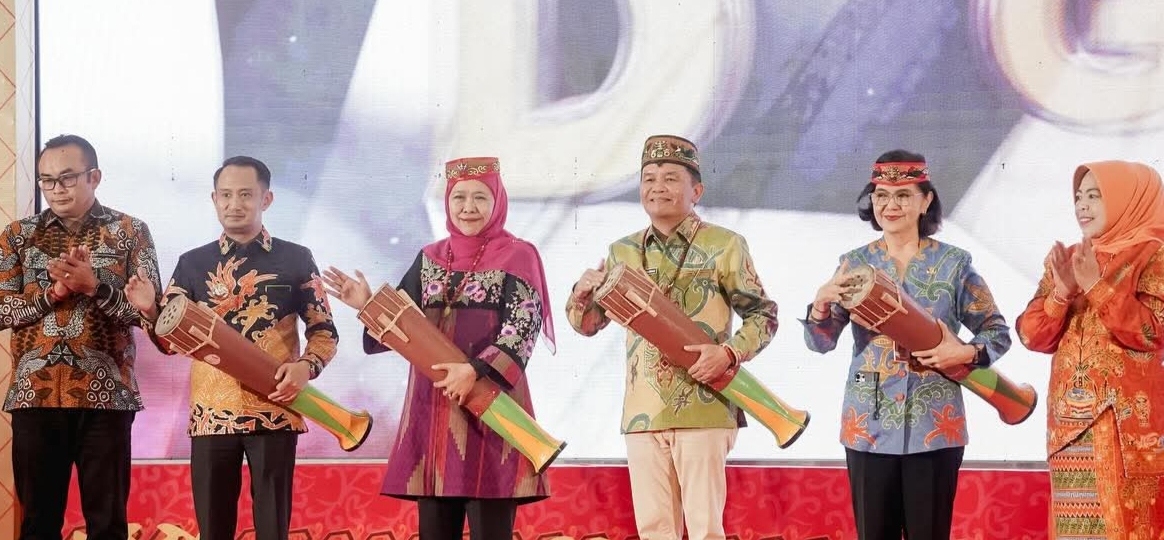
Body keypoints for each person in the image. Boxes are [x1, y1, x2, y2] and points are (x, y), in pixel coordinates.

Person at [322, 156, 554, 540]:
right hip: (434, 414)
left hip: (492, 408)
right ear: (447, 201)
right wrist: (366, 304)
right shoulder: (429, 258)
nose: (468, 207)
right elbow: (401, 326)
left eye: (480, 197)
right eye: (459, 197)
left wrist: (473, 371)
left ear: (498, 201)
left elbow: (523, 327)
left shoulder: (518, 255)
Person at [565, 135, 778, 540]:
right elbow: (587, 325)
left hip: (705, 405)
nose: (657, 187)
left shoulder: (724, 245)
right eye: (649, 178)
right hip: (643, 412)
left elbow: (763, 315)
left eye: (670, 178)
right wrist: (581, 295)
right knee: (653, 530)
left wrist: (728, 353)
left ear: (696, 191)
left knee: (705, 530)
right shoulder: (622, 251)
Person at [803, 150, 1011, 540]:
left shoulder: (954, 264)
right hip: (868, 425)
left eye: (903, 195)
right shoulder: (854, 264)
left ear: (926, 200)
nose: (891, 205)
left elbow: (996, 333)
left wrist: (965, 353)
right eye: (881, 195)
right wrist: (820, 306)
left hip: (934, 425)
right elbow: (821, 341)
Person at [128, 156, 338, 540]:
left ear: (266, 199)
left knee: (273, 528)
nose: (234, 204)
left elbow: (325, 331)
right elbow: (169, 344)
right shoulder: (193, 263)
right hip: (211, 415)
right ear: (214, 199)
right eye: (225, 195)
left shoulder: (296, 258)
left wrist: (305, 367)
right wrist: (150, 311)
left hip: (275, 409)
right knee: (213, 528)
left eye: (245, 194)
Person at [3, 134, 161, 539]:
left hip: (107, 397)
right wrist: (52, 294)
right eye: (47, 180)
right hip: (35, 396)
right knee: (38, 523)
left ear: (94, 177)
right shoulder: (17, 235)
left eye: (67, 178)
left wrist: (95, 287)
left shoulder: (131, 232)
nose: (56, 189)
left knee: (107, 524)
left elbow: (150, 317)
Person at [1016, 161, 1164, 539]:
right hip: (1067, 429)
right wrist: (1062, 292)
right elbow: (1031, 336)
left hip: (1124, 431)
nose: (1082, 205)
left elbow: (1153, 332)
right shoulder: (1070, 258)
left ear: (1127, 199)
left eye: (1095, 196)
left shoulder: (1153, 253)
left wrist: (1098, 287)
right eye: (1079, 196)